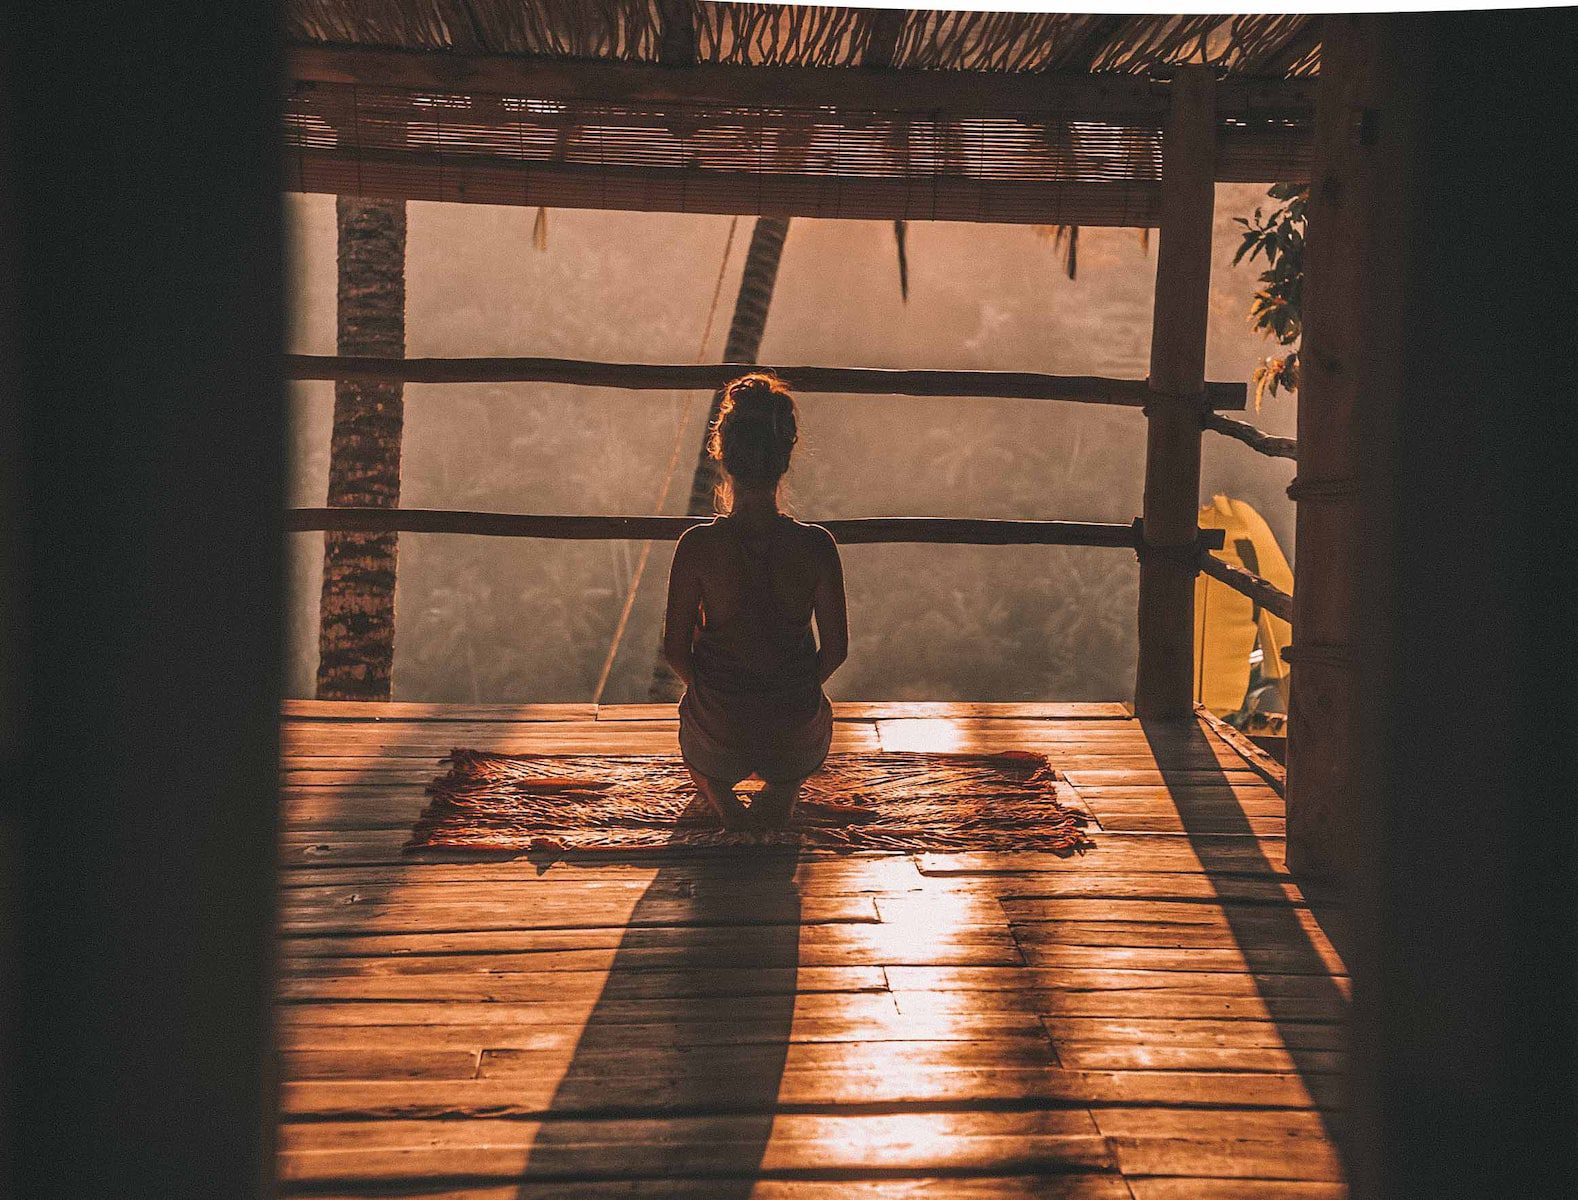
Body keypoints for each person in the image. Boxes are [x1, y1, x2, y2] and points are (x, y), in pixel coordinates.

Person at [662, 373, 849, 832]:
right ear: (784, 458)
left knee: (698, 733)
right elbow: (837, 650)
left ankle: (723, 799)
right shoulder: (817, 546)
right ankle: (784, 786)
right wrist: (793, 687)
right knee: (805, 722)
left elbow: (674, 651)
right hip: (793, 730)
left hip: (720, 728)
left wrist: (713, 692)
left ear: (722, 455)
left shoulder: (697, 547)